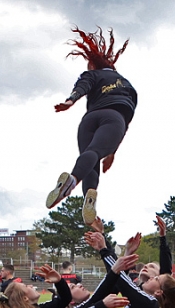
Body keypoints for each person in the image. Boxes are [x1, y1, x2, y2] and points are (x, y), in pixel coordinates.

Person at [46, 26, 138, 225]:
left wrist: (70, 102)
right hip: (114, 118)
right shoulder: (128, 85)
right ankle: (72, 181)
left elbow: (81, 88)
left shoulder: (92, 76)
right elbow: (127, 120)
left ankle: (88, 198)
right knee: (96, 152)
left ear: (93, 65)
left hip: (89, 120)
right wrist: (113, 151)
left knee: (90, 156)